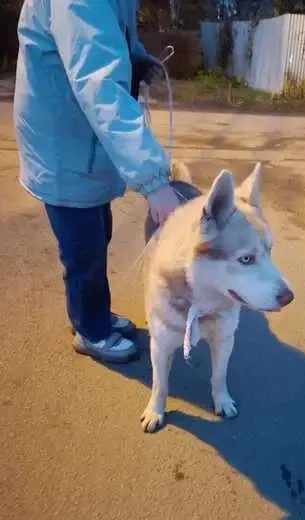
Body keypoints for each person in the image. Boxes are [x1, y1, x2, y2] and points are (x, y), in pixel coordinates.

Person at [13, 0, 181, 363]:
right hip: (65, 145)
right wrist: (155, 182)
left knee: (96, 236)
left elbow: (109, 40)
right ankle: (91, 330)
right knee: (84, 250)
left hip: (79, 140)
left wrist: (136, 58)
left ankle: (92, 314)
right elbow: (100, 86)